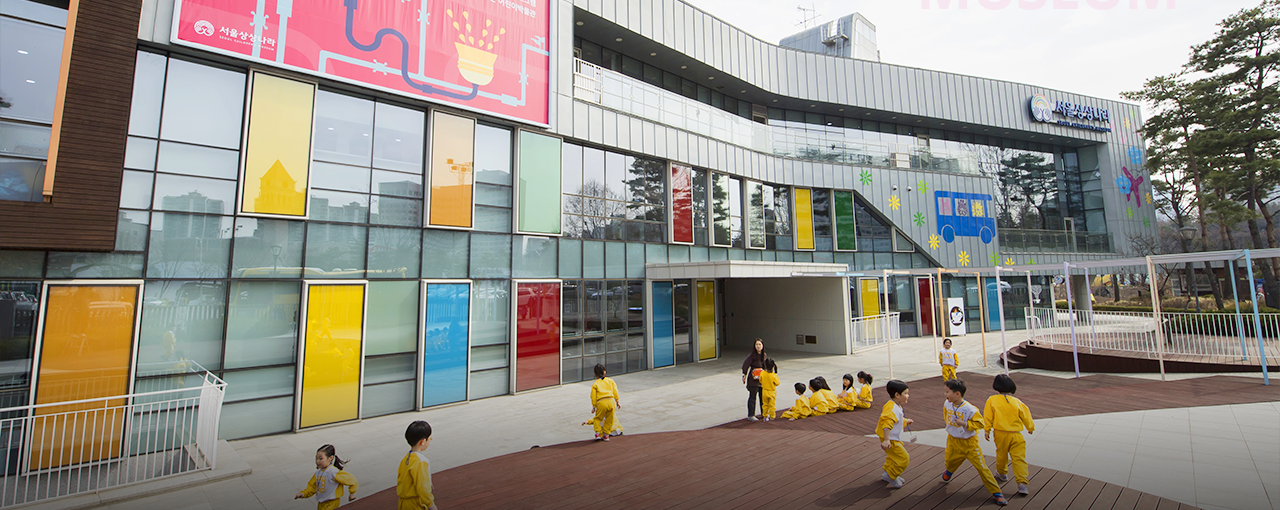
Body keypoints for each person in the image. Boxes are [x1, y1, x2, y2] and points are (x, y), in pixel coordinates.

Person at [942, 379, 1007, 506]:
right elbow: (946, 416)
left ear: (957, 394)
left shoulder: (970, 409)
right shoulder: (947, 404)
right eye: (945, 392)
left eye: (947, 392)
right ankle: (949, 471)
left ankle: (997, 493)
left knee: (982, 468)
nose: (945, 394)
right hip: (953, 440)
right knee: (950, 460)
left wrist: (965, 424)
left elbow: (980, 423)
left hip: (970, 444)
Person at [984, 374, 1035, 496]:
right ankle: (1022, 482)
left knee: (1001, 455)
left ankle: (1002, 473)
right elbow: (1026, 415)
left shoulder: (992, 400)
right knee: (1019, 458)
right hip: (1016, 434)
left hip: (1000, 433)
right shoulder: (1017, 402)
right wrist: (1030, 427)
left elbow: (988, 416)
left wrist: (987, 430)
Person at [295, 444, 358, 510]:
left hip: (332, 503)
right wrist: (303, 494)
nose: (317, 461)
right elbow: (312, 487)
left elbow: (352, 480)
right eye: (316, 458)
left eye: (321, 459)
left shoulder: (333, 472)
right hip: (321, 503)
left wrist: (352, 493)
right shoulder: (318, 473)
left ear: (330, 458)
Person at [877, 380, 913, 489]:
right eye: (905, 393)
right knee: (903, 458)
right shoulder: (892, 408)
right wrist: (887, 440)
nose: (908, 396)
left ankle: (888, 473)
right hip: (891, 440)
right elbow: (887, 423)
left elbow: (896, 420)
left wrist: (905, 421)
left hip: (893, 438)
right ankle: (891, 475)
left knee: (893, 457)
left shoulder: (894, 405)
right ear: (897, 395)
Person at [396, 421, 437, 510]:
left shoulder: (406, 458)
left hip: (403, 502)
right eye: (429, 439)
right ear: (423, 441)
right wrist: (431, 505)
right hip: (416, 503)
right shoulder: (421, 461)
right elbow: (423, 487)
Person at [582, 363, 620, 441]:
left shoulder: (595, 384)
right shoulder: (610, 381)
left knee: (598, 418)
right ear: (604, 372)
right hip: (611, 401)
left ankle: (598, 433)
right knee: (609, 419)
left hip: (601, 402)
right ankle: (606, 435)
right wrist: (617, 401)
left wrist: (594, 406)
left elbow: (593, 396)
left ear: (595, 374)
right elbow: (615, 391)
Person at [741, 339, 767, 421]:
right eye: (757, 344)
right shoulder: (752, 356)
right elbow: (746, 365)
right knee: (752, 397)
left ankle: (764, 413)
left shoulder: (764, 355)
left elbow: (766, 366)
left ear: (762, 346)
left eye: (760, 344)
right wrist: (744, 375)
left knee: (763, 397)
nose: (758, 346)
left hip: (762, 379)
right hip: (753, 380)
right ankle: (751, 415)